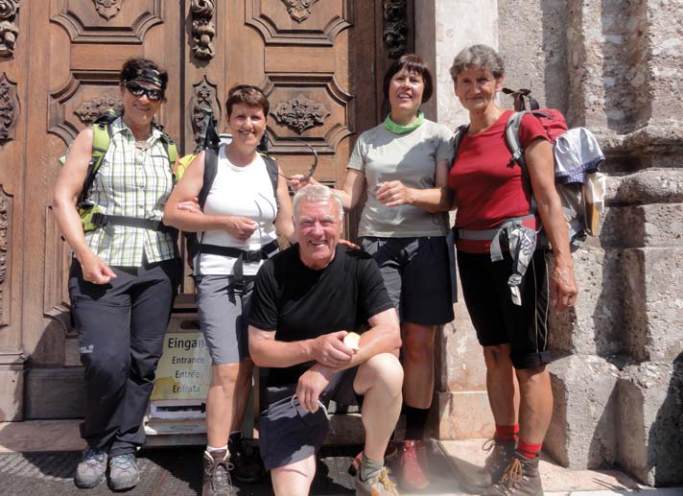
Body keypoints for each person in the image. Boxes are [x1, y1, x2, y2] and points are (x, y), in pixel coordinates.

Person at [289, 53, 454, 491]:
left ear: (424, 90)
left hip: (427, 244)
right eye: (400, 78)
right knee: (385, 343)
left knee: (420, 345)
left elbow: (447, 198)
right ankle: (378, 442)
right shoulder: (368, 139)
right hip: (378, 245)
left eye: (415, 80)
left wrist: (412, 195)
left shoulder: (439, 135)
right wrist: (317, 191)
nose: (406, 85)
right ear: (388, 86)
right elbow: (348, 197)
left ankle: (412, 444)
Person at [447, 44, 578, 496]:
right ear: (456, 89)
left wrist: (563, 263)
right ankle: (504, 451)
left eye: (483, 79)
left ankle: (529, 468)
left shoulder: (522, 128)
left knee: (529, 361)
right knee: (494, 354)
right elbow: (453, 199)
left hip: (521, 257)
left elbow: (548, 199)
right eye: (466, 81)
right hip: (472, 256)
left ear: (498, 82)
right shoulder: (458, 139)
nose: (475, 88)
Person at [53, 58, 181, 491]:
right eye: (137, 89)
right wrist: (84, 254)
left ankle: (125, 446)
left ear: (162, 99)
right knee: (106, 361)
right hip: (103, 264)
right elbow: (63, 198)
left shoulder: (168, 147)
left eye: (153, 92)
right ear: (122, 90)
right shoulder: (96, 137)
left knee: (143, 362)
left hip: (158, 266)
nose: (144, 98)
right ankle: (97, 443)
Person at [163, 84, 294, 496]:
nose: (248, 124)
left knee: (251, 367)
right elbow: (172, 213)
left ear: (265, 122)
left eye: (256, 117)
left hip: (266, 278)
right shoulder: (209, 161)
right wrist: (222, 223)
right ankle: (215, 459)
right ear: (228, 120)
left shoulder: (272, 168)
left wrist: (322, 242)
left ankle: (238, 442)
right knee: (227, 369)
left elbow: (286, 226)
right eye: (240, 116)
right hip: (220, 276)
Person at [248, 184, 403, 496]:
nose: (317, 231)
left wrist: (326, 367)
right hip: (290, 389)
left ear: (340, 226)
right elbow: (260, 351)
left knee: (388, 369)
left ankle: (371, 470)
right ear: (294, 226)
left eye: (326, 221)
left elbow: (390, 332)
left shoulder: (360, 264)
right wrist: (312, 348)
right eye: (307, 222)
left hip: (345, 374)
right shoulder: (273, 271)